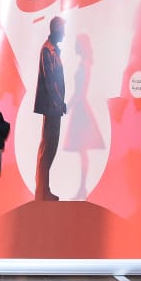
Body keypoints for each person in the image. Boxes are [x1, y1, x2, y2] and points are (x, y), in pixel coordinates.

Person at [62, 33, 104, 200]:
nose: (75, 46)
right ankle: (82, 188)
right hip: (79, 108)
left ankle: (82, 189)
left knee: (83, 151)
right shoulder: (83, 64)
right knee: (82, 151)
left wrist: (68, 106)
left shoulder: (85, 65)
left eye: (77, 43)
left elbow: (80, 92)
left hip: (81, 110)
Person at [34, 16, 67, 201]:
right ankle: (41, 192)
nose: (64, 33)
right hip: (51, 107)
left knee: (50, 148)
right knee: (47, 149)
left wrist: (60, 102)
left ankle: (44, 190)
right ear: (56, 30)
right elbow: (50, 80)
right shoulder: (47, 49)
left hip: (54, 107)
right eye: (63, 29)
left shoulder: (52, 49)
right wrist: (58, 102)